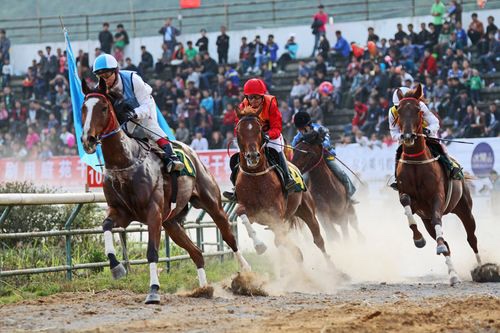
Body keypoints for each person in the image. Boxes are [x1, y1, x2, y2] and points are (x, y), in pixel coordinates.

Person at [92, 54, 183, 172]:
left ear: (116, 71)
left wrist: (134, 113)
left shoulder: (132, 79)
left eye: (107, 75)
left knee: (150, 128)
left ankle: (172, 157)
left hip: (143, 106)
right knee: (121, 136)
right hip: (124, 114)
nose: (104, 80)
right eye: (100, 76)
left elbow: (146, 105)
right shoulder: (99, 90)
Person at [223, 78, 294, 201]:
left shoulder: (271, 103)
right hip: (251, 139)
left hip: (271, 136)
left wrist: (267, 135)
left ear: (262, 96)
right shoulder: (242, 106)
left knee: (277, 151)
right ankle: (235, 188)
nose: (254, 100)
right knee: (237, 157)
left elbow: (277, 127)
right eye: (251, 97)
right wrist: (245, 136)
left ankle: (288, 179)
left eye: (257, 97)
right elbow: (237, 127)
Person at [388, 87, 462, 190]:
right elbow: (393, 132)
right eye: (398, 106)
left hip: (426, 135)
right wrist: (401, 136)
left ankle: (451, 166)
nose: (400, 108)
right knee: (398, 153)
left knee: (438, 148)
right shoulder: (392, 112)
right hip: (406, 138)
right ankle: (397, 178)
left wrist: (427, 130)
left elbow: (435, 123)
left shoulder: (420, 106)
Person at [292, 111, 357, 203]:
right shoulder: (299, 136)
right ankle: (303, 202)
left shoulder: (321, 129)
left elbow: (326, 144)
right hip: (310, 162)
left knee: (340, 172)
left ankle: (349, 194)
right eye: (299, 129)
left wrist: (318, 142)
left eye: (302, 128)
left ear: (308, 125)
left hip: (326, 157)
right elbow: (294, 145)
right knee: (303, 178)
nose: (300, 131)